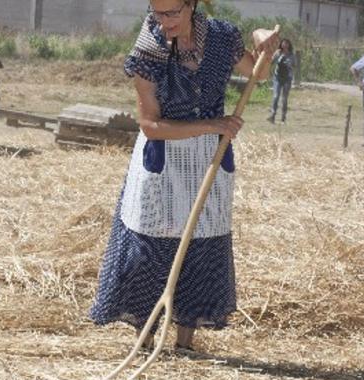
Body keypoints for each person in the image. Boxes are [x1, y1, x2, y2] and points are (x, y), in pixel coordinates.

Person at [89, 0, 278, 352]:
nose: (164, 21)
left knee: (201, 245)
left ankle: (185, 344)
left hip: (209, 159)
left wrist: (261, 37)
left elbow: (260, 72)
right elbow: (150, 125)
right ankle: (144, 340)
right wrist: (212, 124)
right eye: (157, 12)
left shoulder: (221, 37)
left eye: (173, 12)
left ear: (191, 5)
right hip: (163, 157)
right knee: (151, 250)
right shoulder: (150, 49)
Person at [267, 38, 295, 124]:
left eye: (287, 43)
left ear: (289, 45)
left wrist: (289, 64)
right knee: (276, 96)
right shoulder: (278, 53)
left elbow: (295, 65)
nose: (285, 45)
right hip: (277, 77)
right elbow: (271, 63)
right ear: (281, 44)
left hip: (287, 78)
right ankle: (272, 115)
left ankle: (283, 118)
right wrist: (268, 73)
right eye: (283, 43)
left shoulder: (291, 55)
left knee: (284, 99)